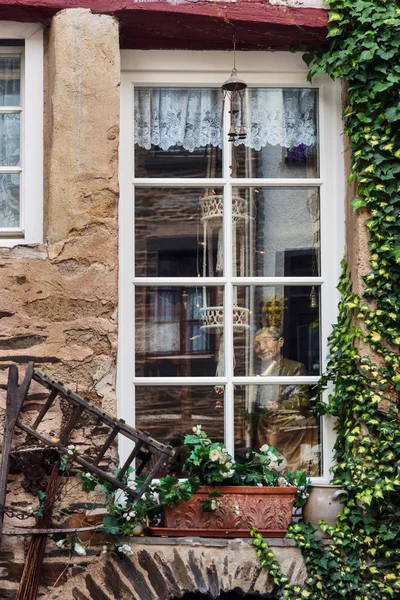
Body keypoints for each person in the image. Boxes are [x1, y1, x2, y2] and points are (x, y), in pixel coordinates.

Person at [252, 326, 319, 474]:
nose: (261, 348)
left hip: (286, 422)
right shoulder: (251, 369)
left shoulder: (295, 367)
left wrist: (280, 406)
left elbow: (301, 397)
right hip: (261, 421)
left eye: (266, 341)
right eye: (257, 344)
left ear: (280, 342)